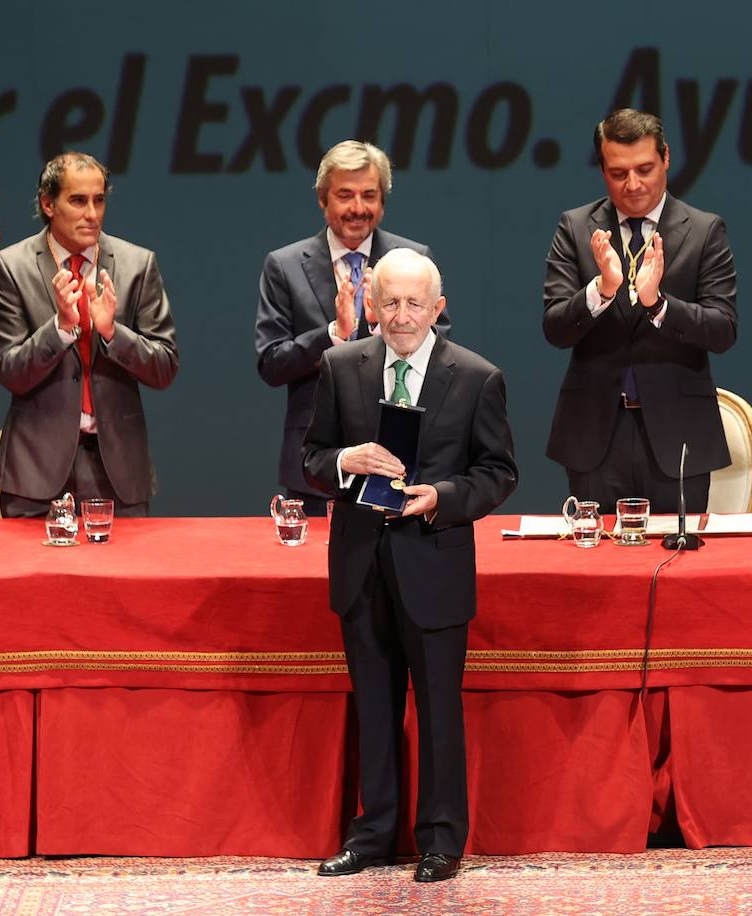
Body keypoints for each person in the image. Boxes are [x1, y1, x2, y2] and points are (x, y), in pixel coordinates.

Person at [303, 248, 516, 883]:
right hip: (361, 565)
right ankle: (372, 836)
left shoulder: (477, 376)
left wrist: (441, 499)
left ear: (438, 309)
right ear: (371, 304)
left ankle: (441, 841)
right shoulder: (341, 367)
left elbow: (499, 472)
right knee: (375, 705)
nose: (401, 316)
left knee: (439, 712)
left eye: (414, 304)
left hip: (435, 565)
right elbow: (312, 456)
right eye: (389, 302)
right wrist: (346, 462)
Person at [543, 108, 737, 514]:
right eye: (618, 173)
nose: (633, 185)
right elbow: (556, 329)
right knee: (595, 567)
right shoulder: (575, 227)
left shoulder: (704, 230)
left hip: (677, 432)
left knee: (676, 569)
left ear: (666, 158)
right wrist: (602, 289)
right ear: (602, 170)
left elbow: (722, 330)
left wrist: (659, 305)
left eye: (645, 169)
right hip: (595, 433)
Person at [256, 140, 448, 516]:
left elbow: (442, 349)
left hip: (403, 462)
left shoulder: (413, 260)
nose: (358, 208)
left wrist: (386, 327)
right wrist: (335, 334)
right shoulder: (285, 265)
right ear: (322, 199)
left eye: (369, 196)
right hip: (319, 470)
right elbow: (271, 362)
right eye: (345, 195)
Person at [0, 152, 179, 517]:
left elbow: (164, 367)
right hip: (35, 472)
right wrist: (59, 330)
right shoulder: (12, 267)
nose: (92, 214)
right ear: (48, 203)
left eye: (99, 200)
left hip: (118, 471)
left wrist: (112, 331)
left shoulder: (138, 265)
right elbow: (10, 372)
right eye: (78, 201)